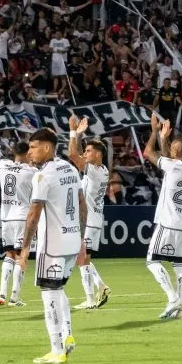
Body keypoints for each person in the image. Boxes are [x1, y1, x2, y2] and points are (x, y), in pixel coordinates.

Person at [19, 128, 86, 364]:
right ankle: (67, 336)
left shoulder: (43, 176)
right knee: (59, 291)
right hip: (71, 241)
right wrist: (82, 241)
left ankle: (56, 350)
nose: (30, 153)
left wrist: (25, 248)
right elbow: (82, 205)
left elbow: (33, 214)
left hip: (52, 245)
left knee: (49, 295)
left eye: (33, 147)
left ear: (47, 147)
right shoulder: (70, 168)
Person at [143, 113, 182, 319]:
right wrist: (165, 140)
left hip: (169, 222)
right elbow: (168, 158)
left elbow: (149, 152)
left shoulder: (172, 165)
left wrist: (156, 132)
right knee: (179, 266)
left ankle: (172, 298)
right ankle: (180, 308)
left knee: (152, 261)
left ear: (175, 153)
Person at [67, 116, 112, 310]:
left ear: (99, 153)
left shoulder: (96, 171)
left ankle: (90, 299)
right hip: (92, 220)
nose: (85, 154)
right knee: (84, 259)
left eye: (88, 151)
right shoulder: (100, 170)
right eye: (85, 151)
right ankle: (100, 286)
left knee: (82, 260)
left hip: (90, 221)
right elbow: (76, 155)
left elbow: (72, 155)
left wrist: (74, 133)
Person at [0, 141, 35, 307]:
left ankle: (2, 294)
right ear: (27, 154)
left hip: (6, 218)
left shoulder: (3, 166)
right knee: (21, 256)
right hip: (22, 217)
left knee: (9, 255)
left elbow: (2, 163)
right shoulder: (31, 171)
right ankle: (14, 298)